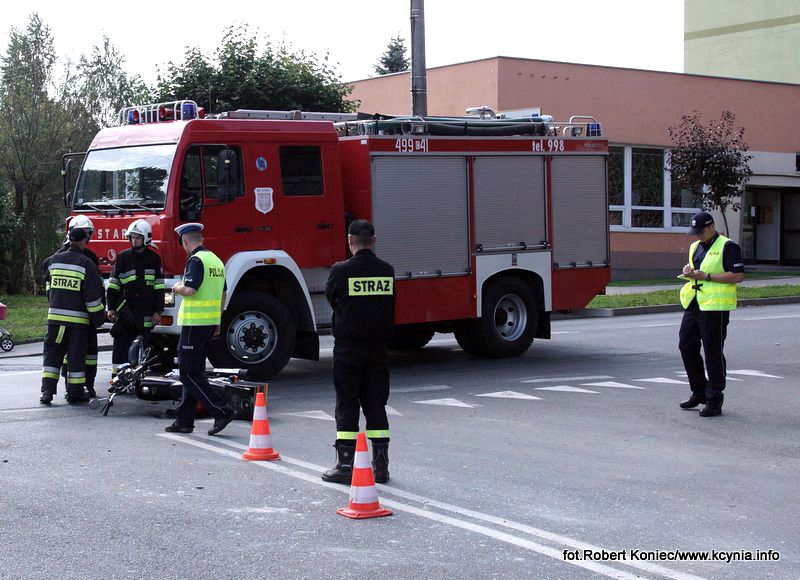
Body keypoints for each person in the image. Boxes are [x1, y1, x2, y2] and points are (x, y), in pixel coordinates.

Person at [322, 219, 395, 484]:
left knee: (347, 404)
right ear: (374, 242)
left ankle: (344, 465)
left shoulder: (340, 271)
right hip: (377, 350)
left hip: (348, 350)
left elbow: (332, 300)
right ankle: (381, 467)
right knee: (376, 406)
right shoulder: (387, 271)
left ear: (350, 241)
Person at [165, 223, 235, 436]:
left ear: (185, 241)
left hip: (194, 324)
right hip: (209, 323)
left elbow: (190, 289)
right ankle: (184, 420)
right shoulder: (216, 261)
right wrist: (218, 320)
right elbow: (223, 293)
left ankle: (222, 410)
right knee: (194, 372)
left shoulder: (196, 260)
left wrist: (175, 287)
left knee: (188, 373)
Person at [678, 211, 744, 417]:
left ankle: (714, 398)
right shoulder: (695, 247)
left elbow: (737, 276)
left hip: (716, 306)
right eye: (695, 232)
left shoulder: (728, 246)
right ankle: (699, 391)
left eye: (701, 231)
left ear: (711, 227)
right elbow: (697, 269)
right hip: (695, 302)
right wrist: (690, 271)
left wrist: (705, 275)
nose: (697, 236)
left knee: (713, 351)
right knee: (686, 346)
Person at [40, 227, 106, 404]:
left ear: (69, 239)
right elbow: (92, 299)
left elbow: (47, 282)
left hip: (54, 321)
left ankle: (46, 392)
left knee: (52, 356)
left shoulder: (53, 261)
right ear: (84, 241)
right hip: (77, 325)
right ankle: (75, 394)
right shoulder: (87, 265)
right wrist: (100, 319)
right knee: (76, 358)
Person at [107, 219, 165, 377]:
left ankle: (138, 378)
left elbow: (159, 288)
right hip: (125, 311)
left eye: (137, 237)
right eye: (132, 237)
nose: (134, 240)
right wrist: (111, 308)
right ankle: (118, 378)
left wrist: (158, 311)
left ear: (146, 238)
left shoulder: (154, 259)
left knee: (142, 347)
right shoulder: (122, 257)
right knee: (120, 347)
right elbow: (113, 285)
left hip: (146, 311)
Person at [57, 215, 102, 398]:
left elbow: (96, 286)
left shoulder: (89, 256)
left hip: (85, 314)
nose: (88, 237)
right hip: (77, 316)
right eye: (87, 233)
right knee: (71, 352)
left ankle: (88, 385)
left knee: (90, 354)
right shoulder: (62, 256)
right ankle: (72, 387)